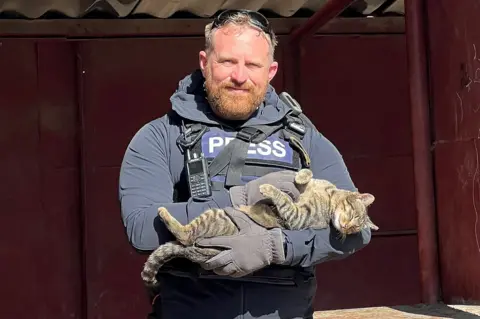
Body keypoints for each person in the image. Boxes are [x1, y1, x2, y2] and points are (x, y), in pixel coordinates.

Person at [118, 9, 372, 319]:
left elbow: (358, 231)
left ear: (271, 71)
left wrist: (275, 247)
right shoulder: (163, 135)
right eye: (227, 62)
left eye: (253, 65)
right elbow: (142, 229)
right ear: (204, 62)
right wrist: (239, 199)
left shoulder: (303, 137)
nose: (240, 76)